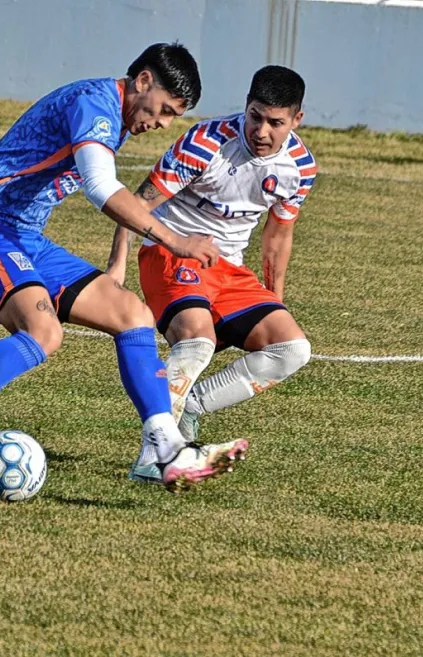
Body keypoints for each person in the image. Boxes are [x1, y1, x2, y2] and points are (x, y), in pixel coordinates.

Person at [0, 43, 249, 494]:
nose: (160, 124)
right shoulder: (94, 104)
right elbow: (101, 187)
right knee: (44, 333)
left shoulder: (113, 117)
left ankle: (167, 449)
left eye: (172, 117)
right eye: (164, 110)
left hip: (24, 236)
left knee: (132, 315)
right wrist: (176, 241)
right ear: (142, 82)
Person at [106, 65, 315, 483]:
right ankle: (154, 457)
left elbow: (277, 237)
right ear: (246, 106)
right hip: (170, 252)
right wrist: (117, 265)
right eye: (255, 116)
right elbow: (139, 203)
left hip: (227, 269)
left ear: (296, 120)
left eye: (275, 122)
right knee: (197, 340)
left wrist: (274, 298)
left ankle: (194, 406)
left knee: (292, 350)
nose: (261, 131)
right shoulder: (205, 143)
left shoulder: (300, 168)